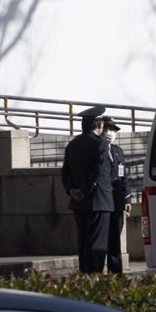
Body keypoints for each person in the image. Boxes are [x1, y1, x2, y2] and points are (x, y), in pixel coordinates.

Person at [61, 105, 113, 274]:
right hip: (98, 200)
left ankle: (85, 274)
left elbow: (65, 171)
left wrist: (72, 190)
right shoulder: (101, 144)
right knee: (97, 243)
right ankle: (95, 276)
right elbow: (98, 173)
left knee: (83, 241)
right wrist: (85, 190)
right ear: (99, 125)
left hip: (78, 201)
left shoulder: (72, 145)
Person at [103, 117, 131, 275]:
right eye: (109, 129)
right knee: (103, 240)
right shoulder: (97, 149)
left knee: (115, 240)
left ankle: (116, 273)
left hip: (117, 201)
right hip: (102, 201)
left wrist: (127, 198)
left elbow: (123, 176)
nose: (111, 133)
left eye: (113, 130)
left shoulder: (117, 150)